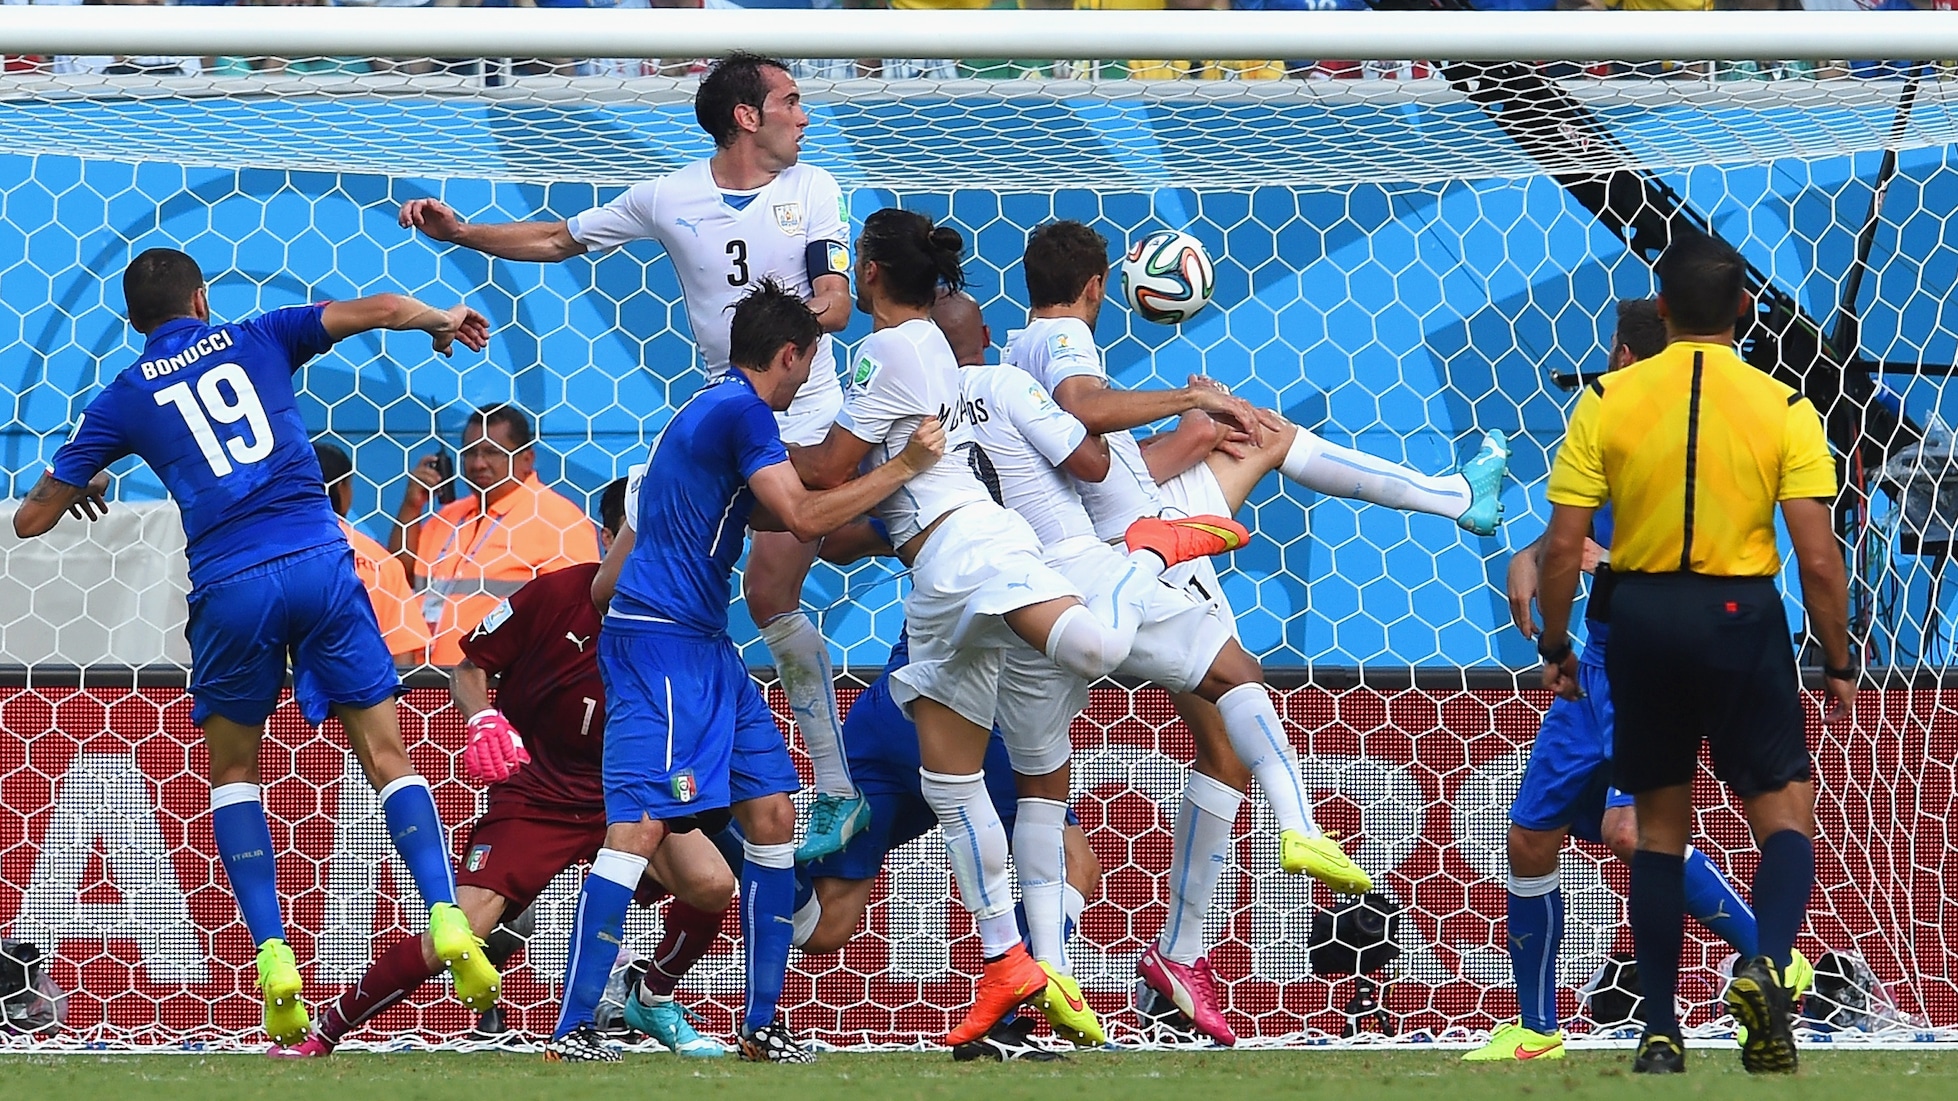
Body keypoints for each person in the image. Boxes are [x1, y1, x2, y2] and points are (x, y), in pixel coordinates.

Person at [1001, 220, 1510, 1046]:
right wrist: (1191, 404)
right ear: (1101, 286)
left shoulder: (1018, 349)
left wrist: (1189, 437)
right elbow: (1085, 418)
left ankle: (1174, 961)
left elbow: (1094, 463)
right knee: (1241, 680)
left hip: (1127, 529)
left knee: (1224, 742)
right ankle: (1273, 854)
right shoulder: (1063, 341)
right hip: (1141, 550)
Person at [12, 247, 499, 1046]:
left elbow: (31, 519)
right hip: (318, 559)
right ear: (201, 299)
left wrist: (88, 479)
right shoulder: (261, 334)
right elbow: (378, 307)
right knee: (387, 756)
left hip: (231, 585)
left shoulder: (126, 394)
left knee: (236, 773)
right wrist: (444, 320)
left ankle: (275, 955)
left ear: (136, 322)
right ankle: (446, 914)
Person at [397, 52, 872, 863]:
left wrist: (803, 318)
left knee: (768, 583)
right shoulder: (669, 195)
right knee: (621, 577)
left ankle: (833, 785)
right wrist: (466, 232)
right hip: (725, 418)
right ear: (746, 116)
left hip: (813, 408)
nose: (805, 113)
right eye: (791, 100)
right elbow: (558, 237)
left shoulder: (814, 188)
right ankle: (633, 749)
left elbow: (835, 293)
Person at [790, 208, 1247, 1049]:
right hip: (955, 593)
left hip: (964, 579)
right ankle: (1022, 966)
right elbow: (1091, 459)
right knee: (987, 787)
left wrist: (760, 459)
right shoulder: (958, 371)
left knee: (1082, 664)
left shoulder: (902, 358)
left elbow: (827, 493)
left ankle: (1151, 558)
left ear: (875, 275)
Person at [950, 282, 1378, 1047]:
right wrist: (1196, 411)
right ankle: (1283, 842)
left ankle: (1057, 979)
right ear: (1096, 289)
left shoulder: (925, 409)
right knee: (1225, 678)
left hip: (998, 602)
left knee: (1025, 792)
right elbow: (1093, 452)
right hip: (1109, 561)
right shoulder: (1030, 370)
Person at [544, 280, 946, 1064]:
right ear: (789, 354)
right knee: (637, 826)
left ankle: (761, 1025)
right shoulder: (743, 413)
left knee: (772, 818)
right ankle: (573, 1027)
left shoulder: (698, 416)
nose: (803, 386)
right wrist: (907, 468)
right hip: (666, 643)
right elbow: (799, 516)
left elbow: (604, 585)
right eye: (805, 369)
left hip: (697, 642)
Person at [271, 479, 734, 1060]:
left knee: (713, 884)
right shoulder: (551, 595)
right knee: (460, 931)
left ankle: (652, 994)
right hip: (539, 793)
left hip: (631, 793)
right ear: (607, 539)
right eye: (641, 542)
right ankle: (324, 1033)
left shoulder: (683, 618)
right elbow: (467, 667)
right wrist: (484, 718)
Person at [1537, 233, 1855, 1075]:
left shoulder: (1605, 398)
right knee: (1784, 810)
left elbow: (1564, 546)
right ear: (1747, 309)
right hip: (1739, 612)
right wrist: (1839, 658)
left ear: (1664, 310)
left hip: (1639, 620)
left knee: (1660, 831)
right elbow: (1819, 558)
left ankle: (1661, 1033)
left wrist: (1556, 643)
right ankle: (1765, 962)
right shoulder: (1783, 406)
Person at [1465, 299, 1775, 1063]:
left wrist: (1597, 575)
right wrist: (1535, 555)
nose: (1605, 367)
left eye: (1611, 353)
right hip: (1592, 666)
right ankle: (1538, 1030)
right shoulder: (1609, 426)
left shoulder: (1689, 440)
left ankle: (1772, 957)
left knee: (1631, 830)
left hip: (1644, 664)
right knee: (1530, 836)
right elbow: (1581, 534)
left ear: (1630, 358)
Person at [792, 633, 1105, 1063]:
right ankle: (1001, 1026)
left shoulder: (938, 568)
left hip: (887, 706)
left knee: (824, 926)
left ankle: (725, 846)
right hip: (957, 714)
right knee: (1074, 865)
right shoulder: (1040, 569)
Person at [395, 404, 601, 666]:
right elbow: (398, 579)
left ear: (526, 459)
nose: (479, 463)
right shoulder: (448, 516)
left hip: (494, 686)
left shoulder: (560, 520)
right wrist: (412, 507)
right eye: (470, 453)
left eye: (493, 453)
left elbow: (573, 619)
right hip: (426, 681)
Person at [315, 441, 432, 665]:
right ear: (342, 487)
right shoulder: (382, 562)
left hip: (284, 693)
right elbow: (402, 655)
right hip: (364, 693)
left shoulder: (266, 552)